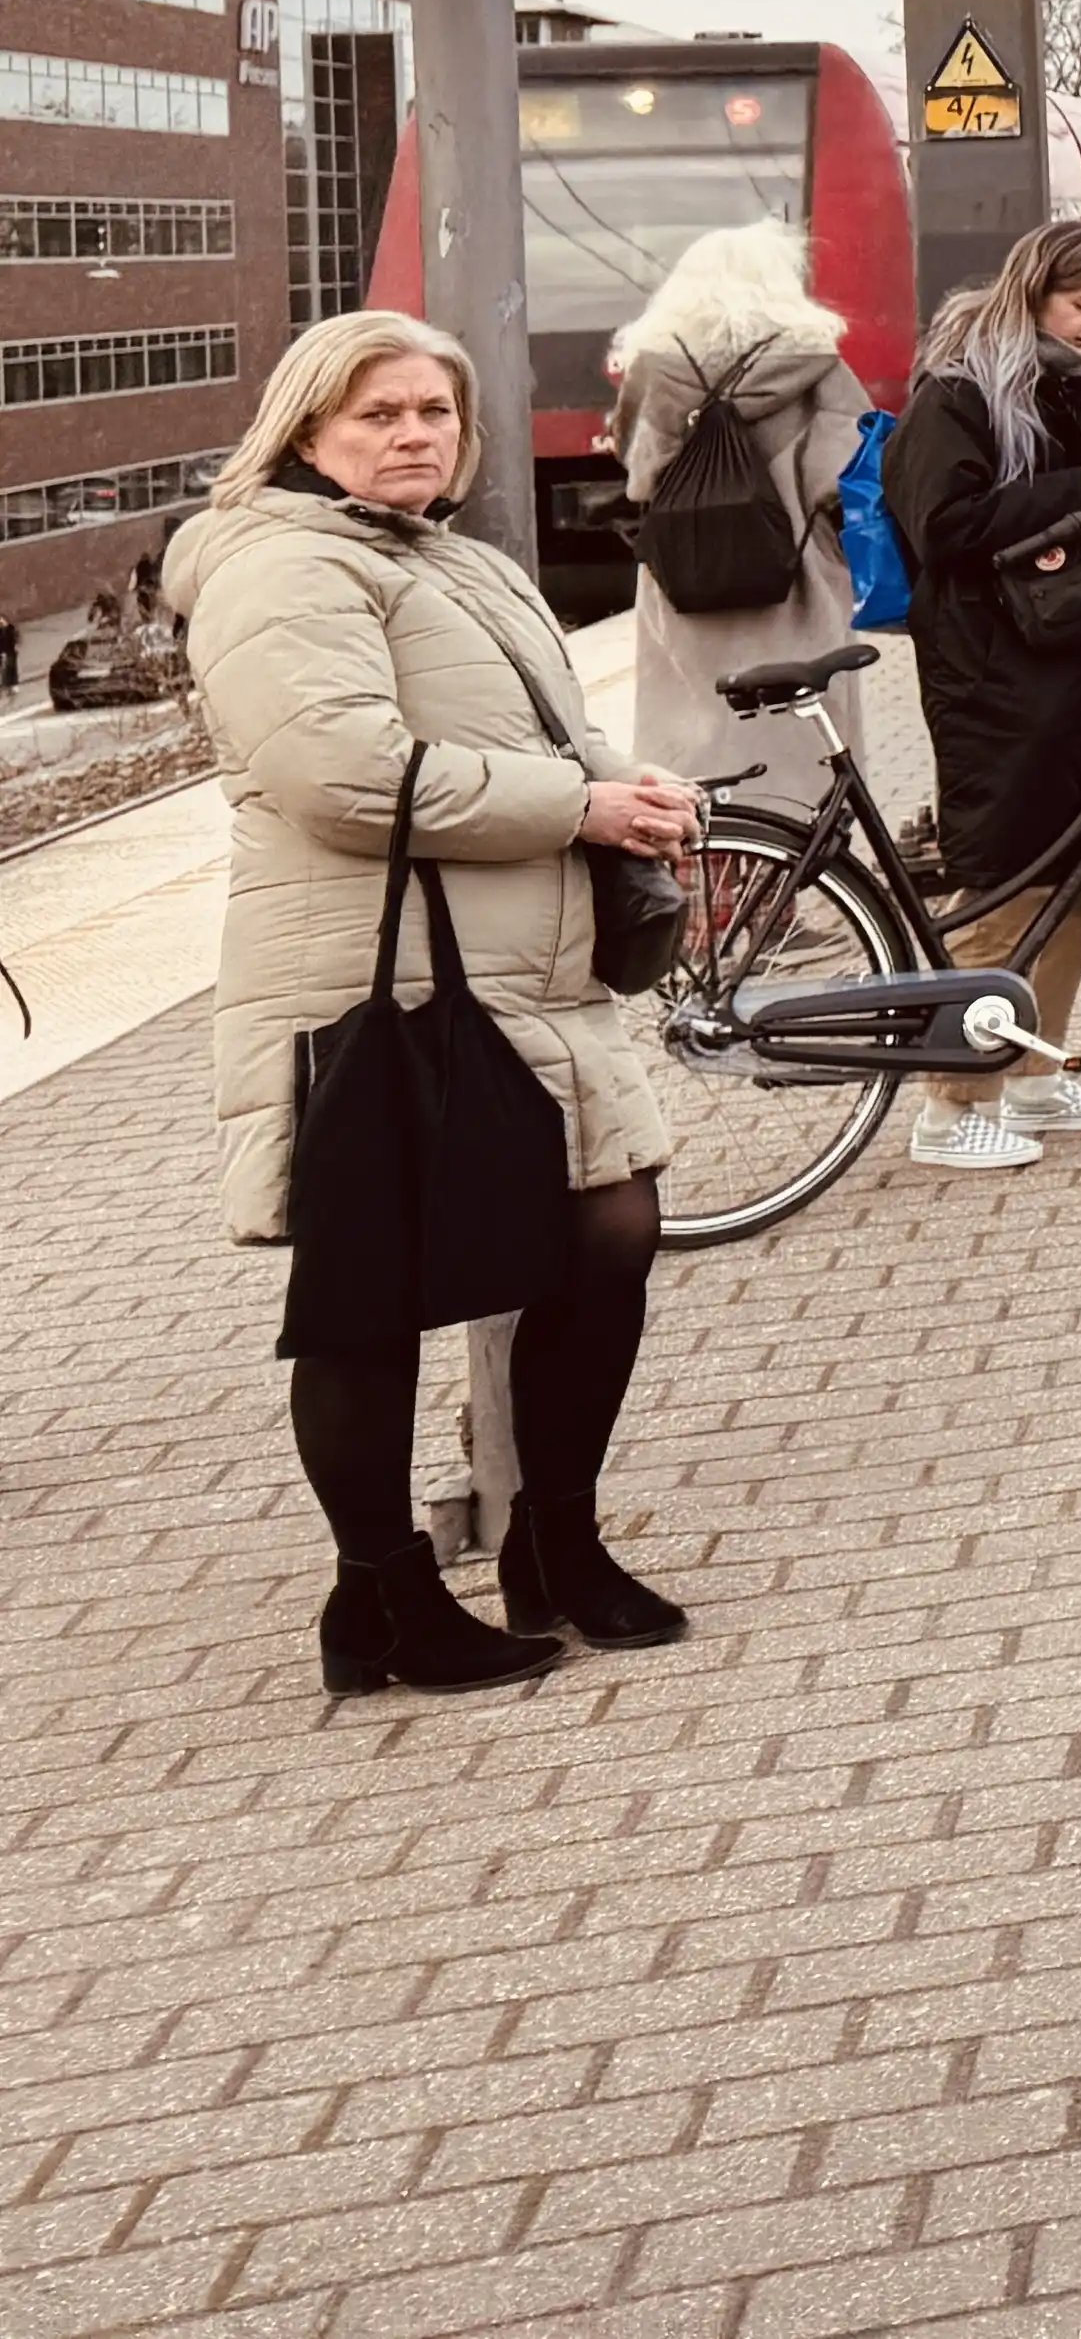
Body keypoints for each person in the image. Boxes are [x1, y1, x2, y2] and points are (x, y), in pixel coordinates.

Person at [170, 310, 712, 1694]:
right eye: (378, 415)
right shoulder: (279, 568)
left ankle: (556, 1542)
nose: (415, 434)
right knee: (370, 1293)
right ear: (307, 432)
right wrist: (576, 803)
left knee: (609, 1232)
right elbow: (346, 776)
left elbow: (550, 734)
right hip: (375, 982)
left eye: (433, 413)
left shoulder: (461, 562)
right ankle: (381, 1603)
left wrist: (630, 794)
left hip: (525, 971)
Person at [885, 216, 1081, 1174]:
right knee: (1007, 892)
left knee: (1067, 892)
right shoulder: (959, 392)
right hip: (996, 678)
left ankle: (1029, 1079)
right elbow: (945, 527)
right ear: (1035, 292)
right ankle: (948, 1108)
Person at [610, 218, 874, 792]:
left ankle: (708, 843)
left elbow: (638, 473)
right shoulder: (816, 363)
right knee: (800, 726)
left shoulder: (656, 365)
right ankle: (801, 856)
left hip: (687, 575)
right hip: (794, 577)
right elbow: (845, 472)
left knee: (692, 717)